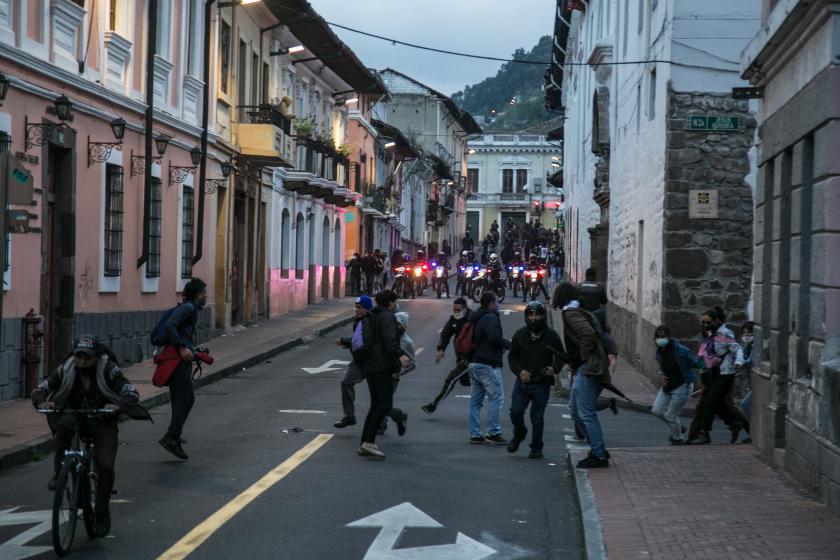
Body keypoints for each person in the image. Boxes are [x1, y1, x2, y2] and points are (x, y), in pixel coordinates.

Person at [32, 335, 151, 536]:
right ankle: (60, 471)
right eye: (79, 356)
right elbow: (41, 388)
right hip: (75, 416)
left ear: (96, 356)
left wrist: (118, 405)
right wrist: (43, 402)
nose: (82, 361)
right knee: (64, 425)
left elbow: (131, 393)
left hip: (102, 421)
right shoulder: (67, 368)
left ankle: (102, 512)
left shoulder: (108, 369)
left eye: (87, 357)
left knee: (105, 466)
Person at [554, 282, 610, 468]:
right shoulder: (578, 310)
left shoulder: (571, 313)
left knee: (585, 413)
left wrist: (582, 357)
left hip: (587, 367)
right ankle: (598, 445)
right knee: (576, 411)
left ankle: (598, 453)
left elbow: (587, 334)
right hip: (583, 368)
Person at [158, 277, 207, 460]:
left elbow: (182, 332)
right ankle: (171, 437)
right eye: (203, 293)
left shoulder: (191, 309)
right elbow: (171, 326)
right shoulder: (188, 308)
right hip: (177, 362)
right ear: (196, 294)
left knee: (188, 399)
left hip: (182, 360)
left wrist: (192, 348)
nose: (205, 296)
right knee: (183, 400)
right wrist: (181, 347)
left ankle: (173, 436)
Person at [358, 290, 411, 458]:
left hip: (370, 366)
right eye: (395, 302)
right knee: (384, 404)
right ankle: (369, 443)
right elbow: (390, 340)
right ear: (391, 303)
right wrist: (400, 354)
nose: (395, 305)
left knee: (376, 405)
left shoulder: (370, 316)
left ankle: (365, 442)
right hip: (383, 367)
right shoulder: (387, 317)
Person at [686, 307, 750, 445]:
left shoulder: (724, 333)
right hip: (714, 374)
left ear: (716, 320)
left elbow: (737, 348)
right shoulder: (711, 333)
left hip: (726, 374)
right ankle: (736, 425)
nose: (705, 325)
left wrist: (739, 362)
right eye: (703, 322)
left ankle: (704, 433)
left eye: (708, 322)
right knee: (721, 406)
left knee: (710, 402)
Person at [507, 301, 562, 459]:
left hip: (541, 383)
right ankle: (519, 433)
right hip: (523, 383)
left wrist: (553, 368)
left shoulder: (551, 336)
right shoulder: (520, 335)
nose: (534, 318)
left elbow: (560, 356)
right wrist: (520, 371)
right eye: (531, 314)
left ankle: (536, 447)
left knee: (536, 417)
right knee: (515, 412)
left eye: (537, 314)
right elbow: (512, 357)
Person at [467, 291, 511, 445]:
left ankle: (475, 434)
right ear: (491, 304)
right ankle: (493, 432)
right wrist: (508, 345)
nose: (498, 305)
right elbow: (494, 338)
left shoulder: (476, 317)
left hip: (474, 363)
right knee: (496, 398)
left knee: (475, 401)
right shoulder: (491, 318)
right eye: (497, 302)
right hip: (488, 363)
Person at [651, 325, 703, 445]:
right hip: (667, 385)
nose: (660, 339)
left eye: (663, 336)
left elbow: (693, 362)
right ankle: (678, 427)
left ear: (669, 337)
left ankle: (677, 437)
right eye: (658, 337)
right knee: (656, 410)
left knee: (670, 414)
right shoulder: (659, 351)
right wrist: (661, 374)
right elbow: (662, 366)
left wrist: (705, 361)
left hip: (682, 386)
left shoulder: (679, 350)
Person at [423, 298, 471, 413]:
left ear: (465, 308)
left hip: (472, 358)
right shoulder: (454, 319)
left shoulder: (473, 319)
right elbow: (446, 333)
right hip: (461, 356)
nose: (456, 312)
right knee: (465, 381)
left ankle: (433, 405)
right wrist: (441, 349)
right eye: (454, 309)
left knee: (451, 380)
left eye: (458, 309)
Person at [333, 296, 373, 429]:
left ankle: (389, 419)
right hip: (359, 361)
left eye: (360, 307)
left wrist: (346, 342)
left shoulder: (369, 322)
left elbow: (365, 343)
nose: (356, 310)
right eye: (356, 307)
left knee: (377, 396)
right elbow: (358, 340)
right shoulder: (359, 321)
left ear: (367, 308)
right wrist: (348, 343)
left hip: (371, 362)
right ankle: (349, 416)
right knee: (346, 383)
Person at [735, 321, 755, 444]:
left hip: (754, 382)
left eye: (749, 332)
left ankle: (753, 434)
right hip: (749, 381)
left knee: (745, 405)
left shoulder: (755, 347)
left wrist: (742, 363)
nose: (746, 335)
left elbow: (750, 361)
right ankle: (752, 434)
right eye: (744, 333)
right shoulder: (743, 347)